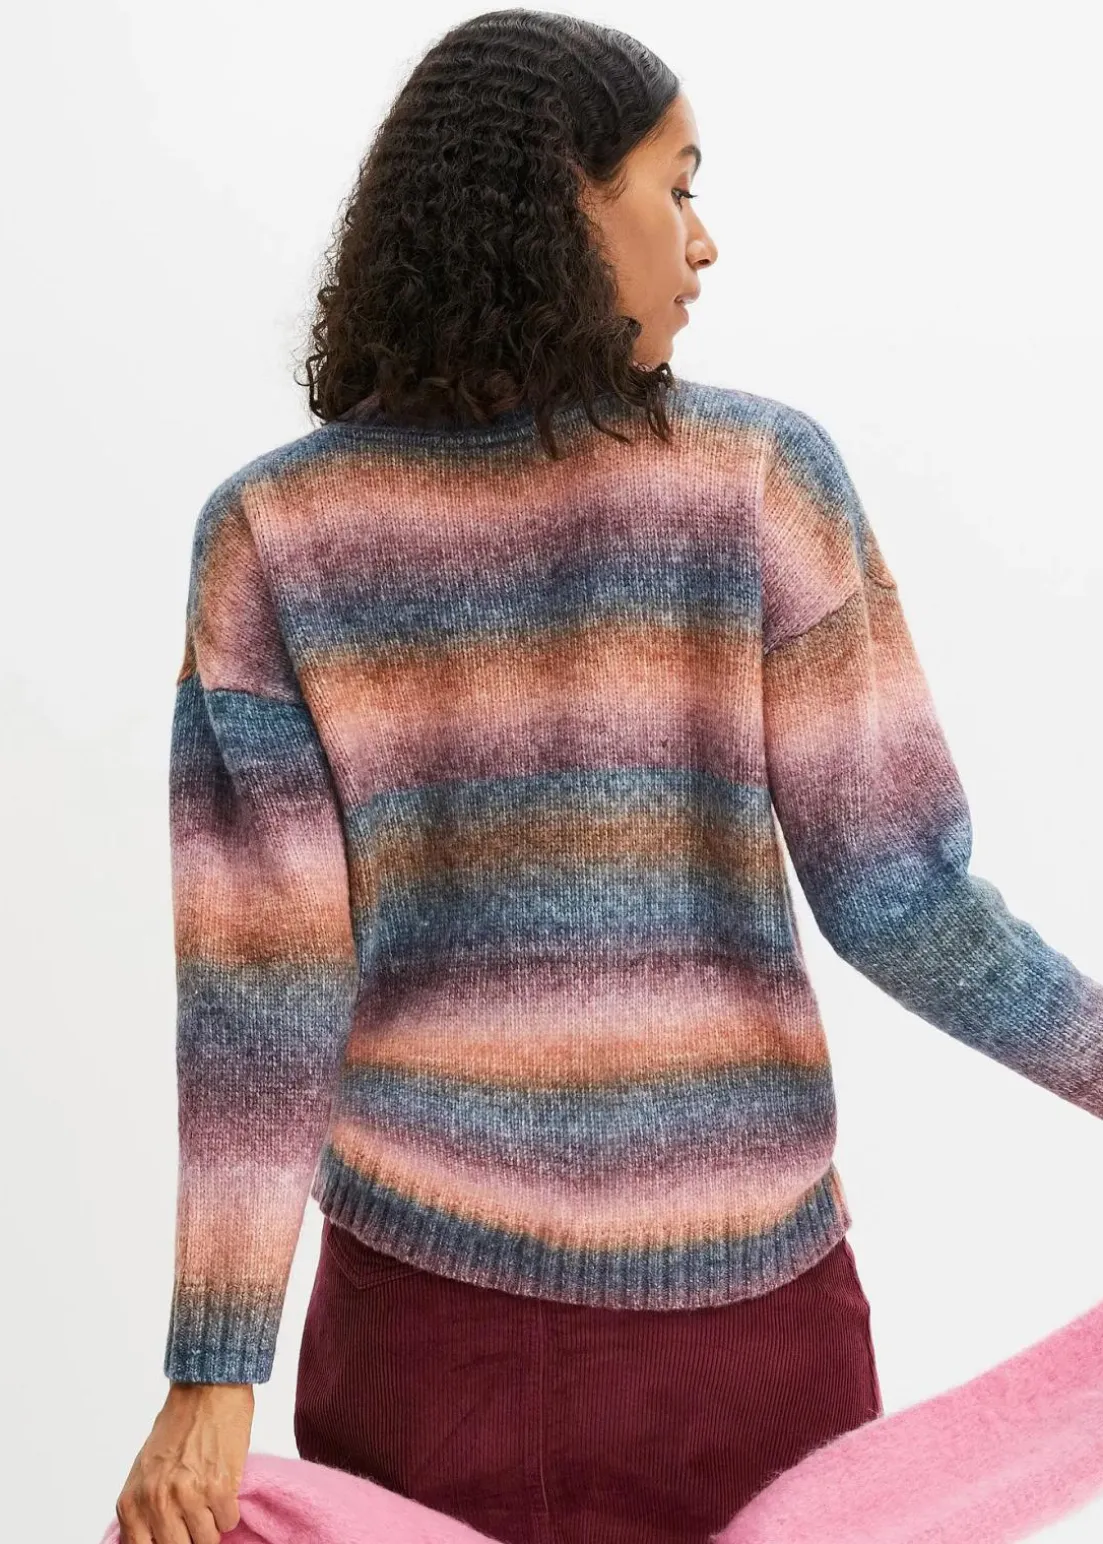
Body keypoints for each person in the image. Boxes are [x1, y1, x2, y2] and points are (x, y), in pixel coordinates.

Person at [113, 10, 1103, 1544]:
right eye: (675, 185)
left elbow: (263, 985)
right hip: (728, 1336)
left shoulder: (277, 534)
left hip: (432, 1333)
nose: (703, 242)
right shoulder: (756, 480)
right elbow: (906, 897)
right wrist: (208, 1364)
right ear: (554, 206)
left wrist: (216, 1370)